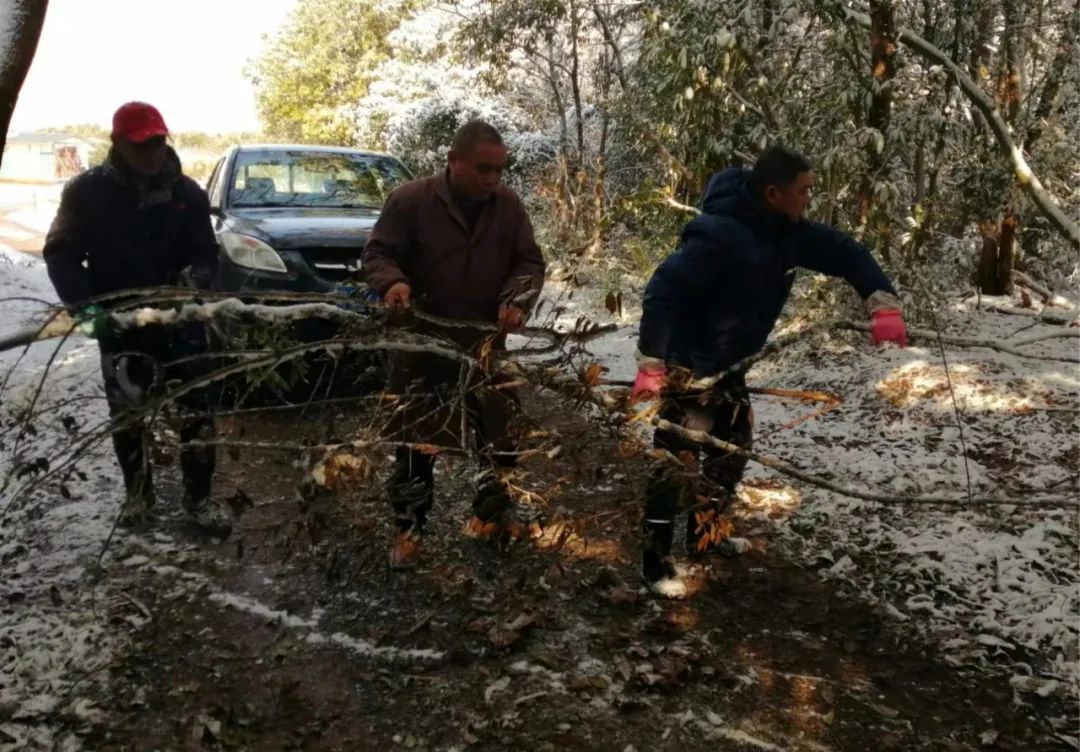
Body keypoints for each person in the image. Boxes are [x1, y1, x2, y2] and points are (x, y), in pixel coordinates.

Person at [632, 145, 907, 597]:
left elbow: (845, 252)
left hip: (732, 367)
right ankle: (655, 560)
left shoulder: (787, 232)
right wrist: (652, 365)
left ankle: (705, 538)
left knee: (731, 453)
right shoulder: (718, 235)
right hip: (688, 368)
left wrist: (881, 301)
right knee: (674, 466)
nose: (809, 199)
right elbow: (663, 290)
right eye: (804, 191)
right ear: (775, 193)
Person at [361, 120, 546, 568]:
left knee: (500, 436)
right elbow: (378, 254)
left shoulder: (508, 206)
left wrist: (515, 300)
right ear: (453, 161)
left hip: (484, 343)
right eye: (482, 169)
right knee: (416, 445)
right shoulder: (410, 200)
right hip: (422, 345)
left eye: (499, 170)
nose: (492, 179)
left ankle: (489, 516)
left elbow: (528, 260)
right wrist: (393, 283)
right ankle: (409, 530)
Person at [42, 101, 230, 535]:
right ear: (118, 144)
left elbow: (206, 254)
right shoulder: (85, 194)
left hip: (182, 324)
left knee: (198, 413)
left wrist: (193, 283)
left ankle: (198, 499)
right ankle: (139, 496)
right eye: (141, 144)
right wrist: (86, 310)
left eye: (159, 142)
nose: (152, 153)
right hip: (121, 324)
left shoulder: (188, 195)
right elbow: (62, 255)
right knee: (129, 415)